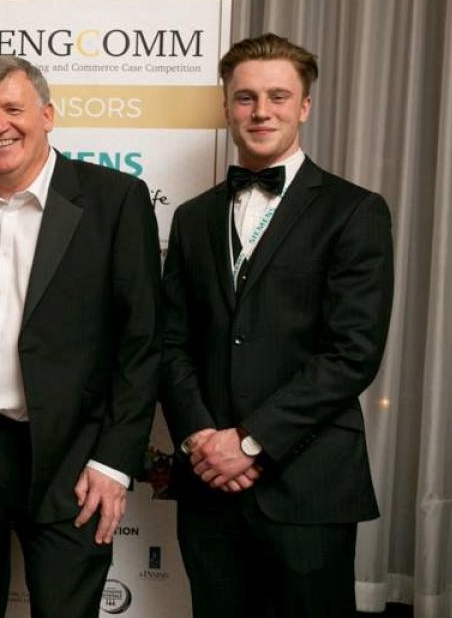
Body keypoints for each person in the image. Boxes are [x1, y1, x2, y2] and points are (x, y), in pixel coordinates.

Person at [160, 32, 394, 617]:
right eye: (246, 98)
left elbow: (353, 353)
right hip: (209, 487)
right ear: (226, 107)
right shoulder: (192, 218)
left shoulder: (354, 211)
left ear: (304, 106)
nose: (261, 111)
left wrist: (249, 442)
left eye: (278, 97)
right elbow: (170, 343)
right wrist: (200, 439)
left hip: (308, 485)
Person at [0, 55, 162, 618]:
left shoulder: (115, 199)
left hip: (71, 456)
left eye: (13, 108)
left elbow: (143, 342)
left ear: (48, 116)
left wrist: (113, 461)